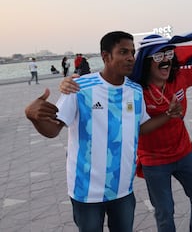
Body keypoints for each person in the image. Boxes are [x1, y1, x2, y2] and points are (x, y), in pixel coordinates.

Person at [60, 32, 192, 231]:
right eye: (158, 56)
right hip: (153, 161)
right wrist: (70, 83)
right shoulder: (136, 89)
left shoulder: (178, 77)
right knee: (165, 211)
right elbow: (109, 81)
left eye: (168, 55)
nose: (165, 61)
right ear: (147, 62)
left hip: (184, 153)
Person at [24, 31, 182, 232]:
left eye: (132, 52)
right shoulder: (79, 87)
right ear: (106, 56)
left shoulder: (134, 90)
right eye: (123, 52)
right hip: (87, 191)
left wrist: (169, 114)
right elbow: (53, 130)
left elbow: (141, 127)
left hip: (123, 189)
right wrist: (32, 116)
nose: (130, 57)